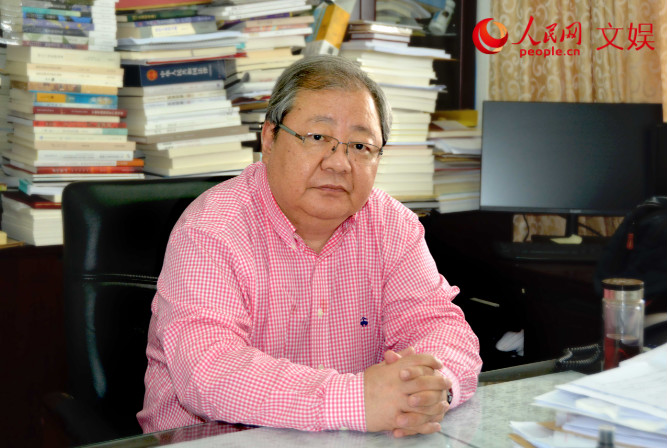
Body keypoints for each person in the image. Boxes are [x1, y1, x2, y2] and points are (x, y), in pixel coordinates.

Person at [138, 55, 482, 438]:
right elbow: (210, 371)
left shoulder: (393, 226)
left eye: (360, 146)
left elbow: (441, 327)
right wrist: (357, 401)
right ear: (269, 138)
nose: (339, 163)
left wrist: (430, 389)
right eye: (318, 138)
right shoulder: (211, 230)